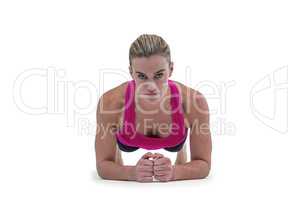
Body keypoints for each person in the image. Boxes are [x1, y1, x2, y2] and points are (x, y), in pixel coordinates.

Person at [95, 34, 212, 182]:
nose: (151, 86)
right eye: (142, 76)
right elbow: (103, 165)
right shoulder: (110, 103)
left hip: (175, 139)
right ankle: (118, 149)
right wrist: (131, 173)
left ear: (171, 69)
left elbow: (204, 164)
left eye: (158, 75)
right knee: (118, 154)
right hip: (126, 139)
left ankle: (181, 151)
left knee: (176, 146)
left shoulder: (194, 102)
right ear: (131, 72)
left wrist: (175, 172)